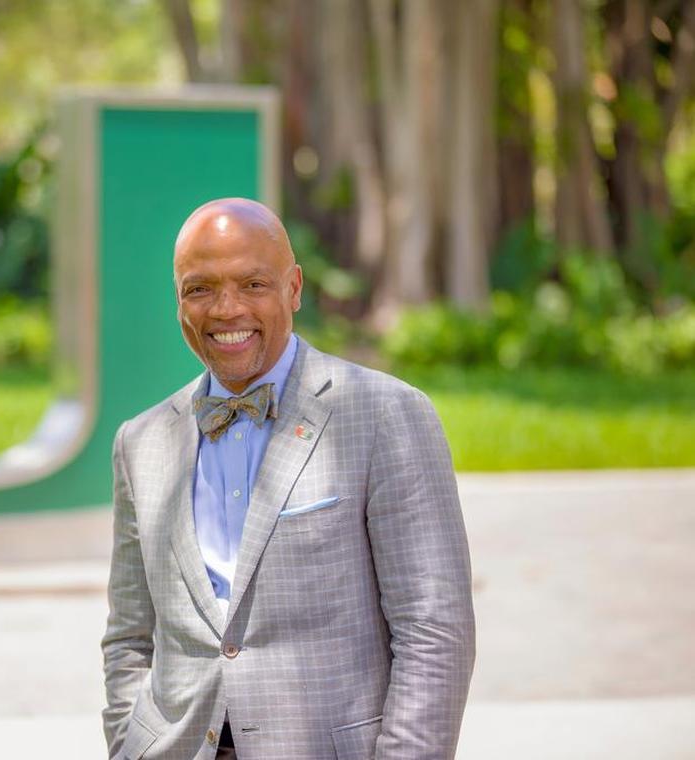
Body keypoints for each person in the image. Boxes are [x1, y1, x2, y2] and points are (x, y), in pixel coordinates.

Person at [102, 198, 475, 760]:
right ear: (178, 298)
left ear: (294, 288)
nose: (226, 309)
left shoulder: (383, 415)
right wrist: (127, 744)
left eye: (253, 284)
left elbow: (434, 631)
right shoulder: (141, 441)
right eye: (200, 289)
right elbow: (129, 637)